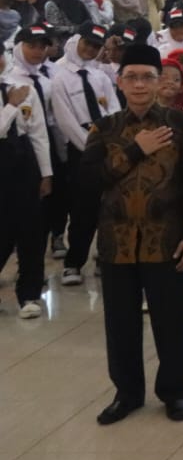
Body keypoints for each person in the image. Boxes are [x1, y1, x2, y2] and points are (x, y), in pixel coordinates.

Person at [81, 41, 183, 424]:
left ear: (159, 82)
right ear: (119, 82)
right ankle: (127, 393)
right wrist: (135, 150)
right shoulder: (104, 128)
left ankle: (174, 392)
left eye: (147, 78)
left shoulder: (181, 124)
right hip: (116, 243)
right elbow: (87, 183)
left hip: (166, 241)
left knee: (170, 321)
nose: (139, 85)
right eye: (132, 77)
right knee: (120, 324)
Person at [48, 22, 121, 286]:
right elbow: (65, 119)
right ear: (77, 41)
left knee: (110, 205)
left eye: (96, 46)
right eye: (87, 43)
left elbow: (114, 109)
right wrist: (92, 148)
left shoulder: (100, 76)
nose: (90, 49)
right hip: (81, 150)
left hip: (108, 146)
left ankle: (104, 255)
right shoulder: (59, 77)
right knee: (83, 210)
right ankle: (74, 263)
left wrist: (112, 142)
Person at [0, 41, 52, 319]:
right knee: (3, 231)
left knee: (32, 231)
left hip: (23, 162)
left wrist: (46, 173)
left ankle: (30, 294)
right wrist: (10, 106)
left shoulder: (22, 87)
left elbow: (38, 132)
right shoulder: (14, 95)